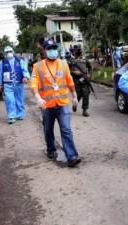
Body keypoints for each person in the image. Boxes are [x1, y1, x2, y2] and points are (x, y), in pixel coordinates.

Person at [31, 39, 81, 168]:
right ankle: (51, 149)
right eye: (50, 49)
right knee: (48, 130)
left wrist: (74, 96)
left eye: (54, 48)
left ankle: (72, 156)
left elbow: (69, 81)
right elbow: (34, 83)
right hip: (47, 105)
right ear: (45, 51)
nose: (52, 51)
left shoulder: (64, 64)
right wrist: (37, 97)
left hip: (63, 103)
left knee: (66, 129)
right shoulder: (38, 66)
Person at [0, 46, 30, 124]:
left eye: (10, 51)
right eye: (7, 52)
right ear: (4, 54)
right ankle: (11, 116)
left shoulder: (19, 60)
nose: (8, 53)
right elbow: (0, 74)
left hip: (18, 83)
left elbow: (25, 70)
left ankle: (20, 114)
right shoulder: (2, 62)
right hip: (8, 84)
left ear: (13, 51)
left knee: (19, 100)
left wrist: (26, 77)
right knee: (9, 100)